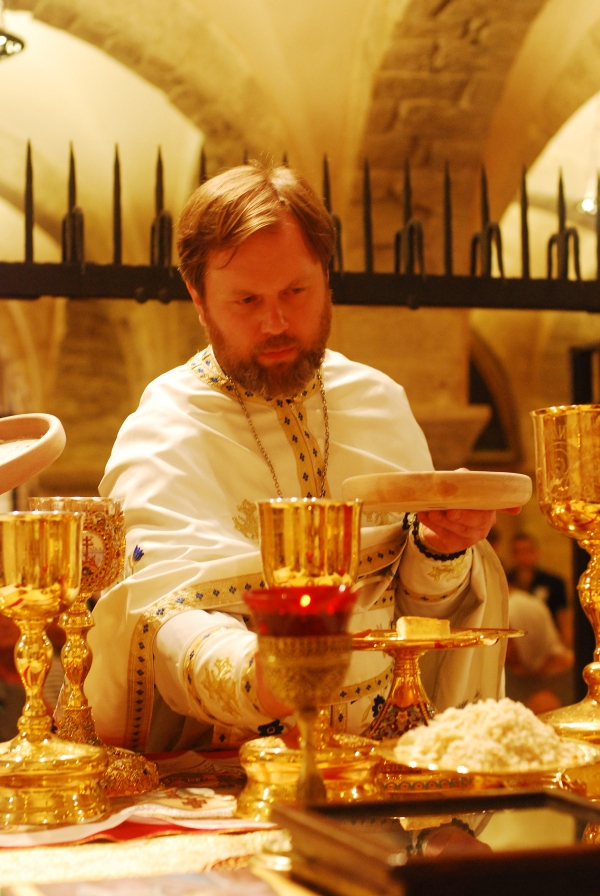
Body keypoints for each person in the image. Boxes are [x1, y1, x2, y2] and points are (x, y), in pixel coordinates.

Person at [86, 163, 516, 753]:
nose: (276, 323)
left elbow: (417, 611)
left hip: (388, 767)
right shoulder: (167, 429)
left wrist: (441, 547)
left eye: (296, 291)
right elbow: (159, 616)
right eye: (247, 300)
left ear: (326, 276)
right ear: (199, 299)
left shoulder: (378, 402)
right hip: (236, 774)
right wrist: (259, 676)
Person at [507, 532, 571, 647]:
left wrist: (565, 644)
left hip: (548, 641)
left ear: (536, 552)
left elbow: (563, 618)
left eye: (527, 551)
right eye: (518, 552)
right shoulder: (506, 582)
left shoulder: (553, 582)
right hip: (517, 643)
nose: (523, 556)